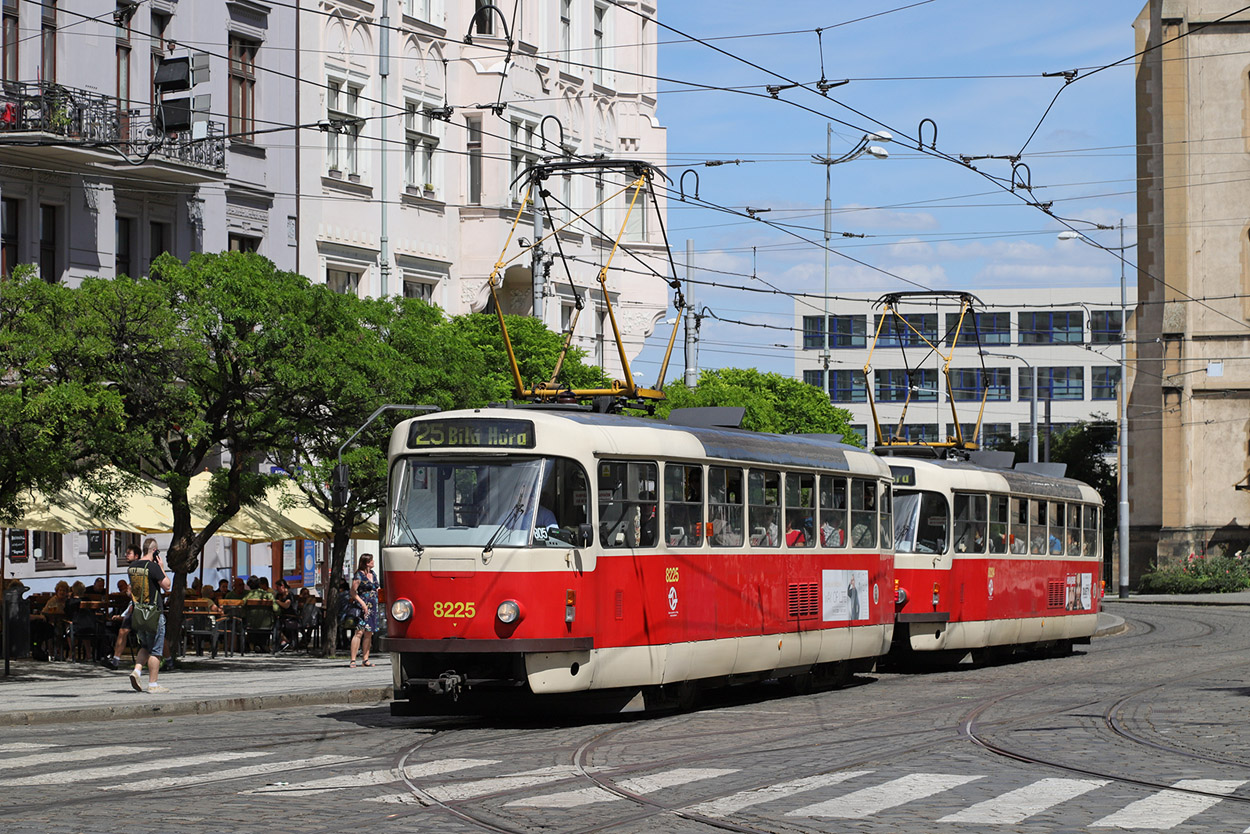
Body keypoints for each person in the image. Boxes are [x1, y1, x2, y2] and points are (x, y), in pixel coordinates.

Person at [128, 538, 172, 694]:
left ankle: (137, 671)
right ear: (154, 551)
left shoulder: (132, 567)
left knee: (145, 646)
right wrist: (161, 568)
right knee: (156, 650)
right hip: (153, 613)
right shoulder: (153, 567)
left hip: (139, 613)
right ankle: (153, 684)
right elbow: (167, 586)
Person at [101, 545, 141, 670]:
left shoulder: (139, 568)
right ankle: (116, 661)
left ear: (136, 556)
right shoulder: (132, 568)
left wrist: (130, 592)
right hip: (133, 607)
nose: (126, 555)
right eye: (126, 552)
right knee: (123, 631)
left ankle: (166, 660)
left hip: (141, 607)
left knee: (150, 634)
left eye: (129, 553)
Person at [348, 554, 380, 668]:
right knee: (359, 632)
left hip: (373, 606)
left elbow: (376, 588)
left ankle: (365, 658)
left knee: (369, 632)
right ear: (367, 563)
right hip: (363, 606)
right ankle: (353, 659)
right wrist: (362, 604)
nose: (373, 562)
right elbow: (353, 592)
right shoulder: (359, 575)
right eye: (371, 560)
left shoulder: (373, 574)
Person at [273, 579, 299, 652]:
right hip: (281, 616)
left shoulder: (289, 595)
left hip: (290, 617)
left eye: (278, 587)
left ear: (282, 586)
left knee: (277, 625)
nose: (277, 589)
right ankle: (285, 641)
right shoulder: (278, 595)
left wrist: (278, 602)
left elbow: (286, 605)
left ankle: (285, 641)